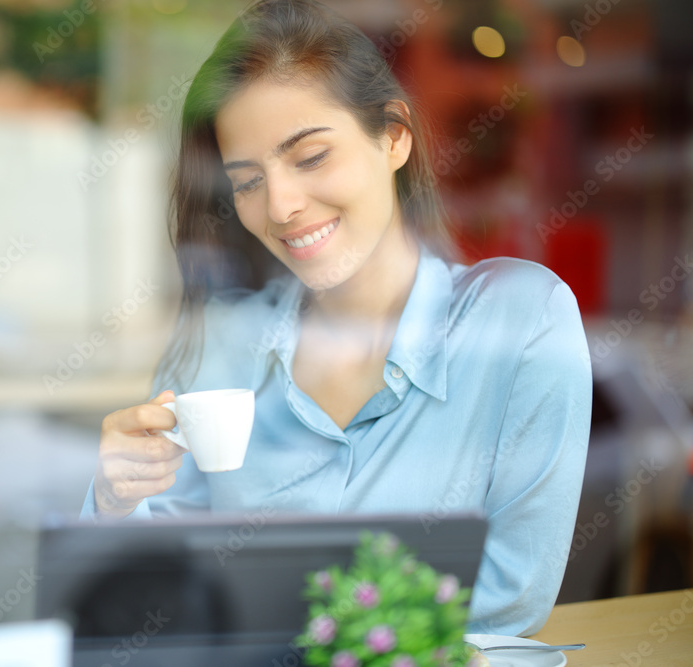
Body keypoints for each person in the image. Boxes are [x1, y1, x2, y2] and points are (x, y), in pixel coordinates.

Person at [81, 0, 592, 637]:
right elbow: (147, 600)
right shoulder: (221, 344)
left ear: (394, 135)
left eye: (312, 156)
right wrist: (116, 501)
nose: (282, 205)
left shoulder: (519, 322)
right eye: (246, 182)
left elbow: (506, 604)